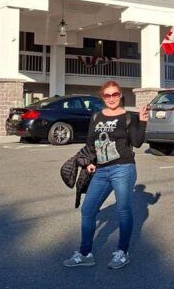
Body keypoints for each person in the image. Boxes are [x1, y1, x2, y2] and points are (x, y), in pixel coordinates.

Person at [63, 80, 149, 270]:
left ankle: (122, 252)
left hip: (123, 168)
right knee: (88, 210)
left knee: (123, 210)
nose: (111, 98)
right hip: (101, 170)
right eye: (107, 95)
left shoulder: (129, 117)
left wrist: (142, 121)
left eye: (115, 94)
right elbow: (90, 143)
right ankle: (85, 254)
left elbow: (137, 142)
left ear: (120, 95)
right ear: (103, 97)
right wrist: (89, 163)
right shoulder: (96, 117)